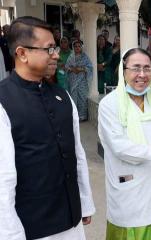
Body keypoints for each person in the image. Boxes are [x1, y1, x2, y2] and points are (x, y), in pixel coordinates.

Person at [0, 16, 95, 239]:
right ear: (22, 53)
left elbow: (76, 154)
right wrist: (10, 233)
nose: (56, 54)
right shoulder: (3, 101)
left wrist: (85, 202)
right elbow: (3, 178)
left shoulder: (62, 96)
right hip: (31, 226)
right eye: (49, 48)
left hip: (71, 220)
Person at [98, 48, 151, 240]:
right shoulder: (110, 105)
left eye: (147, 68)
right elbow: (119, 147)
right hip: (129, 189)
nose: (142, 75)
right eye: (136, 68)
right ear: (124, 71)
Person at [65, 40, 93, 121]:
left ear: (81, 47)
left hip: (82, 81)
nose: (77, 48)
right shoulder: (71, 57)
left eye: (79, 46)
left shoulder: (85, 57)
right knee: (73, 98)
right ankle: (75, 117)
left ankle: (82, 116)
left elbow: (90, 67)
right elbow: (66, 67)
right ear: (73, 47)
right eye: (75, 46)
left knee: (82, 98)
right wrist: (72, 69)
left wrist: (80, 69)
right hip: (73, 81)